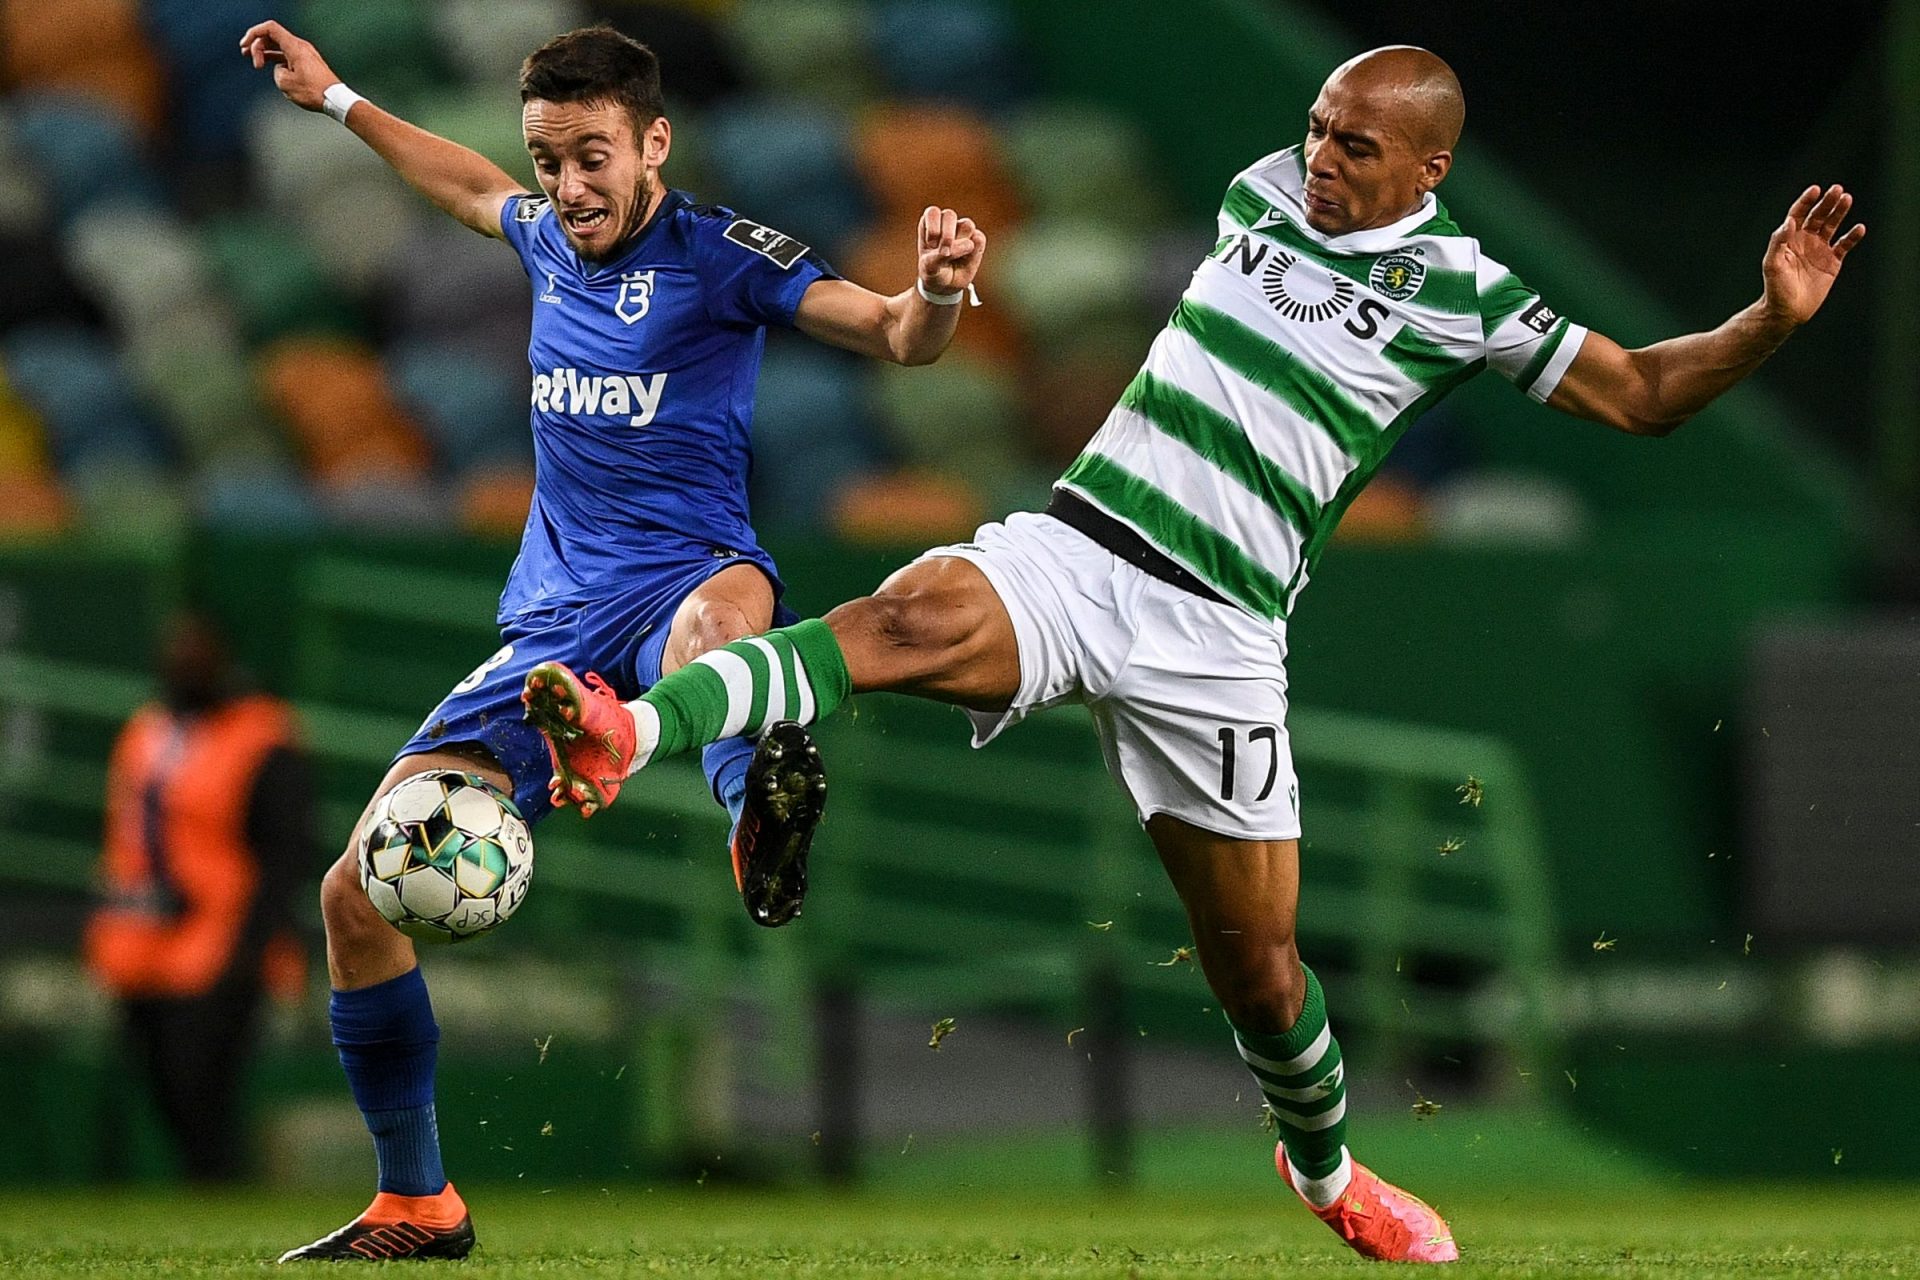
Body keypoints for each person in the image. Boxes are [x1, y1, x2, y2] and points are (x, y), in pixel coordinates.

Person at [526, 46, 1865, 1264]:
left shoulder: (1464, 291)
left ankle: (1327, 1167)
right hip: (1083, 547)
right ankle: (626, 732)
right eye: (1318, 127)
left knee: (1259, 967)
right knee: (903, 618)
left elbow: (1636, 395)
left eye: (1357, 147)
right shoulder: (1261, 189)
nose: (1323, 159)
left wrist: (1771, 320)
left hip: (1218, 636)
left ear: (1430, 168)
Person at [239, 18, 986, 1263]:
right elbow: (461, 182)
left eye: (593, 157)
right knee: (353, 893)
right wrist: (336, 99)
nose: (567, 187)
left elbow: (893, 335)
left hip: (693, 572)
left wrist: (941, 295)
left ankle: (759, 814)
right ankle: (419, 1199)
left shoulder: (721, 253)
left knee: (721, 629)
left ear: (654, 142)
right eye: (549, 160)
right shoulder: (542, 237)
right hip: (548, 623)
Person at [85, 609, 313, 1183]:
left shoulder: (263, 735)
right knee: (162, 1088)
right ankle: (204, 1186)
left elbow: (285, 853)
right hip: (139, 939)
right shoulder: (148, 729)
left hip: (219, 942)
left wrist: (253, 950)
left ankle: (221, 1190)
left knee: (204, 1090)